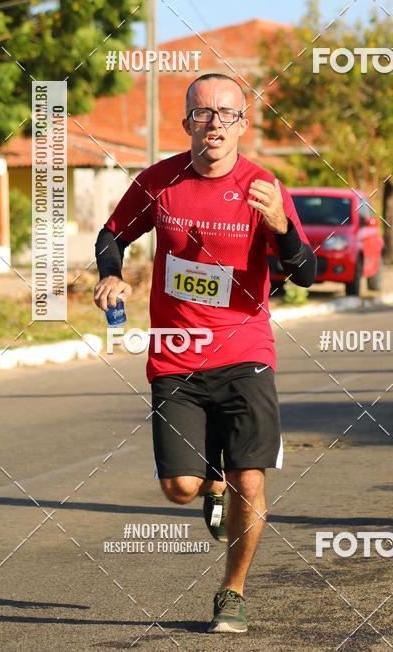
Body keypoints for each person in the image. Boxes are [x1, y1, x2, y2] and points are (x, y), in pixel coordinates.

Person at [93, 73, 316, 634]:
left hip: (246, 352)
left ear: (243, 123)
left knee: (251, 480)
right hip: (176, 356)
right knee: (180, 489)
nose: (214, 122)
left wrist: (281, 225)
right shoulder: (159, 182)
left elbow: (306, 274)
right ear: (187, 122)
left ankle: (232, 592)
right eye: (202, 112)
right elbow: (111, 235)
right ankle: (209, 477)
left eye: (226, 113)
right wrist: (111, 274)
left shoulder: (264, 187)